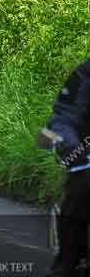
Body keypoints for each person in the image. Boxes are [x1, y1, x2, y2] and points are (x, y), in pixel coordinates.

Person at [46, 58, 90, 277]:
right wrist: (70, 144)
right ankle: (67, 262)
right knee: (83, 182)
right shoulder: (86, 73)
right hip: (86, 149)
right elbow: (64, 116)